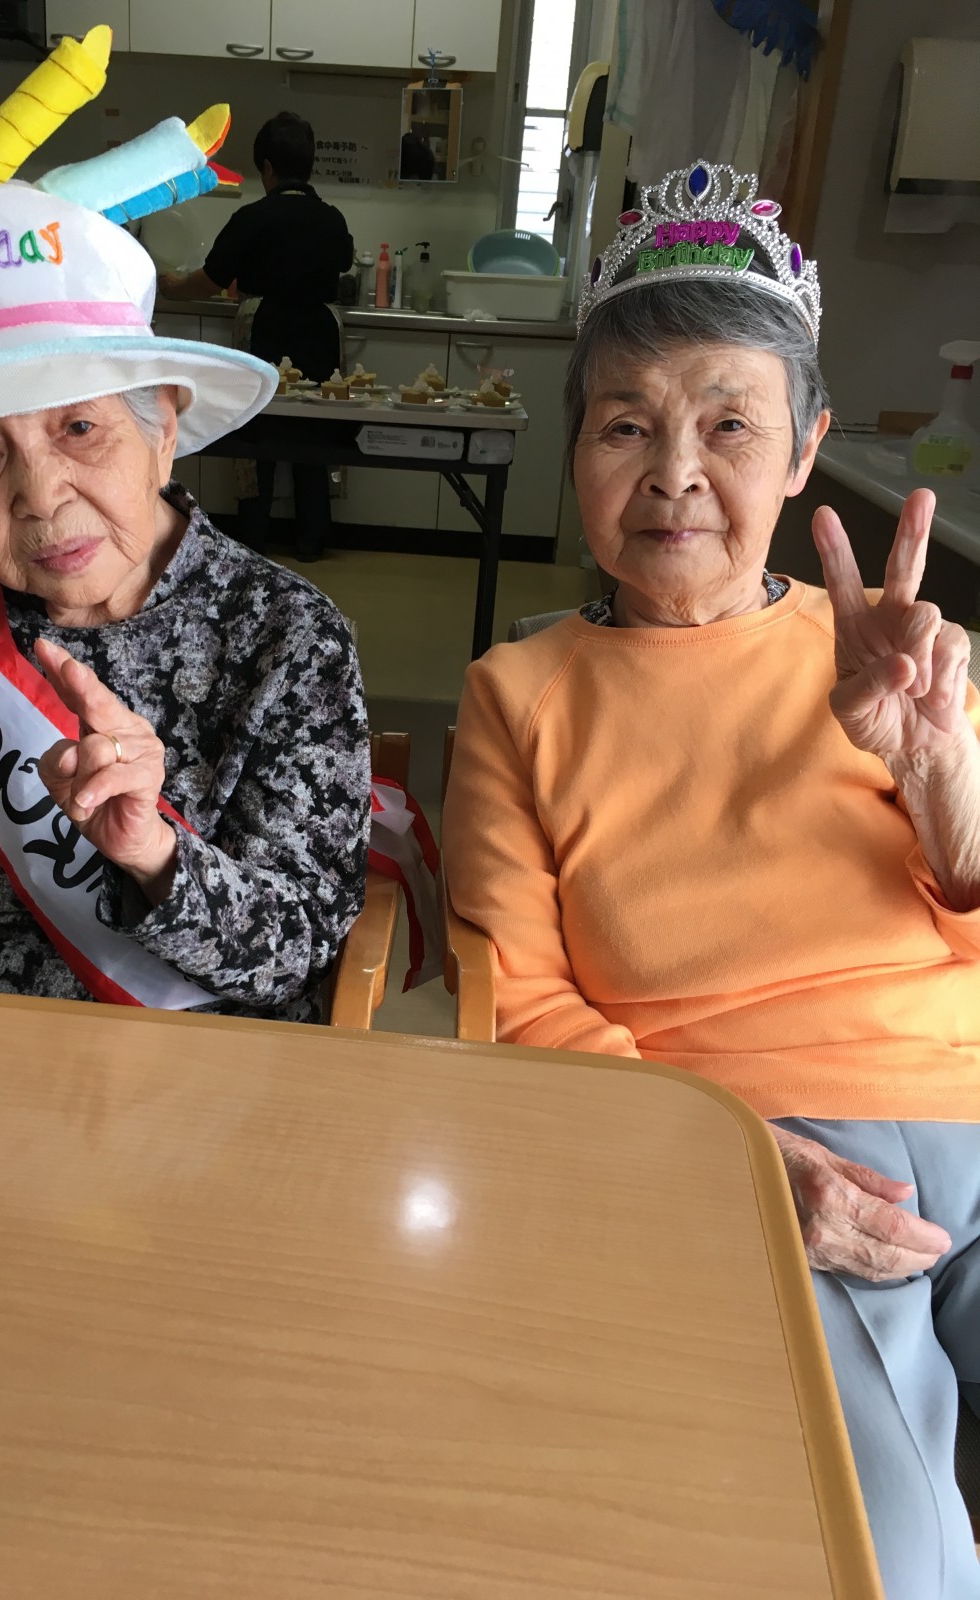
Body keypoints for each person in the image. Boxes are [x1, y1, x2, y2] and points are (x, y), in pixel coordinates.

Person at [443, 161, 980, 1599]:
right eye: (627, 424)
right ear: (576, 452)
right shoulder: (517, 695)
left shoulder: (901, 656)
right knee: (890, 1556)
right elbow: (520, 1003)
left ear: (806, 452)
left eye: (729, 424)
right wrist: (738, 1161)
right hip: (772, 1139)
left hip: (971, 1089)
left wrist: (942, 778)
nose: (675, 472)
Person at [0, 68, 372, 1024]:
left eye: (80, 429)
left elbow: (300, 945)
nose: (42, 497)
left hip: (199, 1071)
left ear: (162, 429)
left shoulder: (286, 636)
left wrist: (154, 853)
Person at [160, 111, 354, 561]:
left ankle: (254, 537)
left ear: (267, 167)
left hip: (265, 328)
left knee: (257, 433)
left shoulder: (253, 217)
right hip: (320, 333)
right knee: (312, 431)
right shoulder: (331, 219)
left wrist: (172, 286)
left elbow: (210, 279)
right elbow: (344, 263)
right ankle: (311, 538)